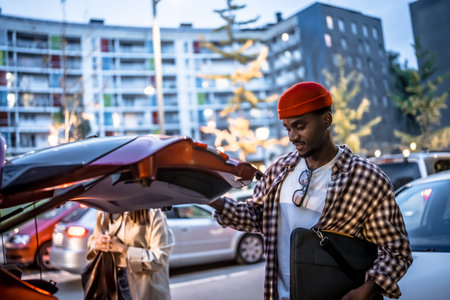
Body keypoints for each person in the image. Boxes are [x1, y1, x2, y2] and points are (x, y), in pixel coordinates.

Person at [209, 82, 412, 300]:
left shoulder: (366, 178)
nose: (291, 136)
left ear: (326, 120)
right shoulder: (279, 170)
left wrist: (366, 290)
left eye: (299, 126)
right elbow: (257, 218)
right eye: (287, 128)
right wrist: (209, 196)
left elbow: (397, 250)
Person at [87, 208, 175, 300]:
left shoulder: (153, 212)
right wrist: (97, 245)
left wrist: (123, 249)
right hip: (109, 280)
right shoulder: (104, 210)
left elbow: (160, 258)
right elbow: (94, 240)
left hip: (141, 283)